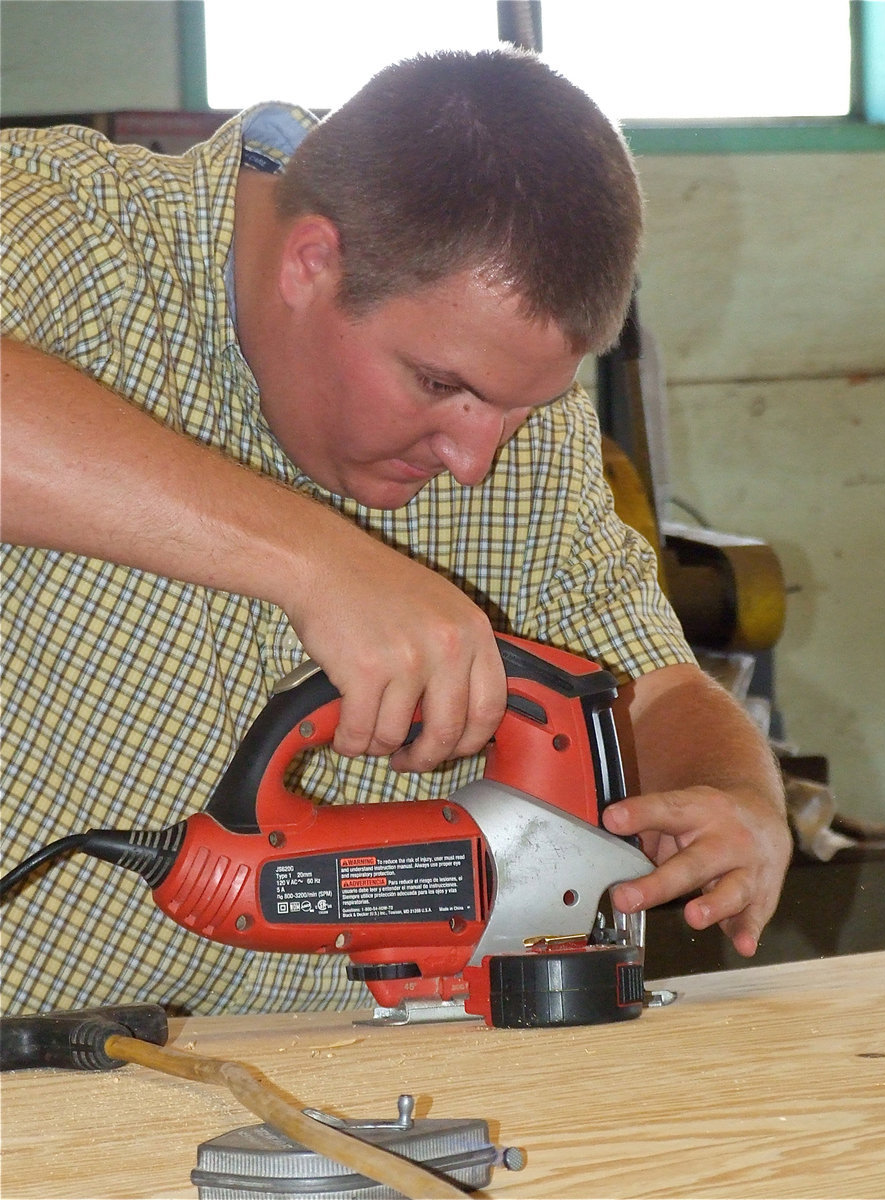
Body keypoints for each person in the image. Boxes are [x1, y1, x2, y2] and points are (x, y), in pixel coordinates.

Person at [0, 48, 791, 1017]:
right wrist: (316, 563)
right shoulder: (60, 227)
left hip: (355, 1117)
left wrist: (737, 802)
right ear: (310, 262)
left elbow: (650, 694)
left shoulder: (519, 431)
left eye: (512, 408)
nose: (473, 459)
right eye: (438, 385)